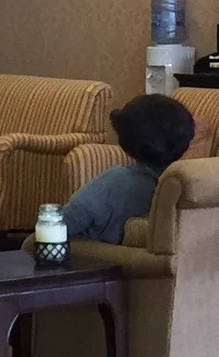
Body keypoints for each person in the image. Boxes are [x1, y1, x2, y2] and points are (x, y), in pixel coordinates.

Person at [58, 93, 195, 245]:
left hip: (91, 255)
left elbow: (65, 222)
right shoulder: (185, 183)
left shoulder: (117, 181)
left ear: (126, 141)